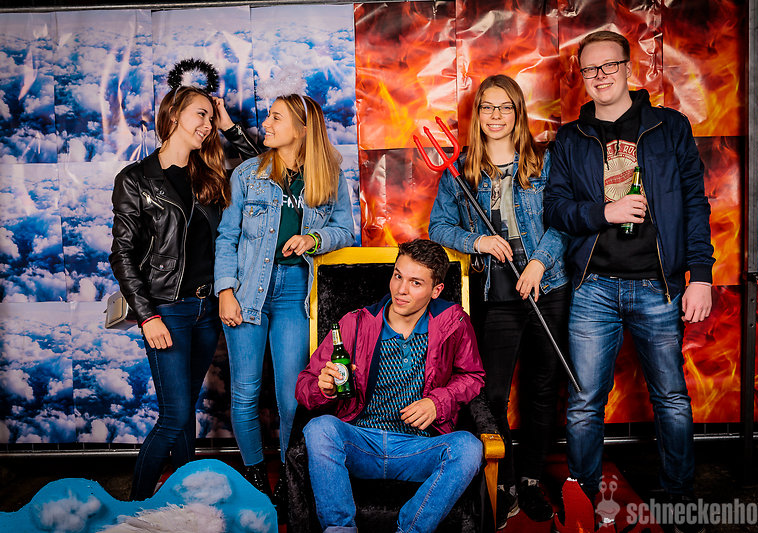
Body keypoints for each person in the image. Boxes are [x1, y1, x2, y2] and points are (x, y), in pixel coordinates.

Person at [543, 30, 714, 533]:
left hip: (658, 286)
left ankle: (679, 500)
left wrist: (701, 276)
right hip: (594, 286)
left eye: (609, 66)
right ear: (582, 76)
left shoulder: (669, 127)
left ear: (627, 67)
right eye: (590, 69)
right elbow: (556, 209)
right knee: (583, 404)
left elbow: (695, 202)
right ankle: (582, 500)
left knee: (672, 400)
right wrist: (606, 212)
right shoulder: (571, 138)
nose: (600, 77)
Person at [429, 74, 570, 527]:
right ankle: (504, 478)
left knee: (542, 388)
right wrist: (479, 241)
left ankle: (530, 478)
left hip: (547, 287)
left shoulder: (543, 162)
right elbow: (439, 227)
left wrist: (540, 263)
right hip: (497, 294)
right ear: (477, 114)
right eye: (487, 106)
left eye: (505, 107)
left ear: (518, 113)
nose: (495, 115)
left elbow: (563, 221)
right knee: (491, 393)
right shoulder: (461, 170)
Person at [110, 85, 257, 500]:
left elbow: (263, 168)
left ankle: (182, 500)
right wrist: (148, 316)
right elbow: (122, 254)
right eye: (200, 114)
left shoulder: (209, 174)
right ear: (173, 116)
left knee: (185, 410)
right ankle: (137, 506)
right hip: (167, 311)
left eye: (211, 117)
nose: (207, 124)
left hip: (207, 310)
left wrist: (229, 126)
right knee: (174, 417)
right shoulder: (135, 179)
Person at [214, 94, 355, 496]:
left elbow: (346, 231)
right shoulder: (247, 173)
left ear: (302, 129)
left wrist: (314, 238)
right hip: (247, 291)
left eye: (276, 118)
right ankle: (257, 477)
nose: (267, 124)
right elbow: (227, 237)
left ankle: (289, 480)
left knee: (292, 397)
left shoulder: (327, 177)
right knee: (245, 393)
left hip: (296, 291)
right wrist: (225, 290)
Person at [295, 239, 485, 533]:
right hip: (361, 441)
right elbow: (305, 384)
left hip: (418, 446)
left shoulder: (454, 322)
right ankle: (340, 530)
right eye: (398, 276)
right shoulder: (355, 323)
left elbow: (472, 376)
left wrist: (437, 403)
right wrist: (324, 388)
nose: (401, 289)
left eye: (415, 283)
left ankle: (410, 530)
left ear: (436, 290)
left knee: (469, 447)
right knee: (319, 429)